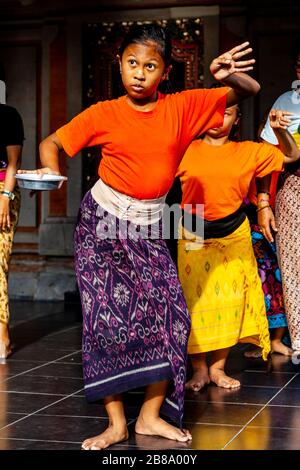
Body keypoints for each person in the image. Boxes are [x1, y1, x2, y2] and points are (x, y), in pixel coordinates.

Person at [18, 24, 260, 450]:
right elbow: (51, 141)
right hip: (103, 225)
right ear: (120, 63)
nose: (139, 73)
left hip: (149, 228)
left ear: (164, 72)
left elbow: (249, 88)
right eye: (132, 63)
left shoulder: (183, 107)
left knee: (172, 318)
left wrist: (226, 75)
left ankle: (149, 417)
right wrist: (52, 169)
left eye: (150, 66)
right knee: (106, 323)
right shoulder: (104, 113)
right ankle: (116, 424)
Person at [177, 105, 300, 392]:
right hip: (192, 224)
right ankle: (199, 369)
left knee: (230, 302)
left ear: (237, 119)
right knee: (196, 301)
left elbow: (293, 155)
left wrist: (278, 129)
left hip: (233, 229)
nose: (219, 120)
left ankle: (218, 368)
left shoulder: (247, 151)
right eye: (212, 112)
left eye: (228, 113)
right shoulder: (184, 149)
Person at [260, 46, 300, 351]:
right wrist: (263, 202)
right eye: (299, 65)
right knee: (292, 265)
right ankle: (299, 339)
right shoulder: (285, 103)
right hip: (292, 190)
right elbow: (264, 157)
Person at [0, 103, 24, 359]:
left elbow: (13, 162)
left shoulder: (7, 115)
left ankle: (2, 334)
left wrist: (6, 197)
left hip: (2, 194)